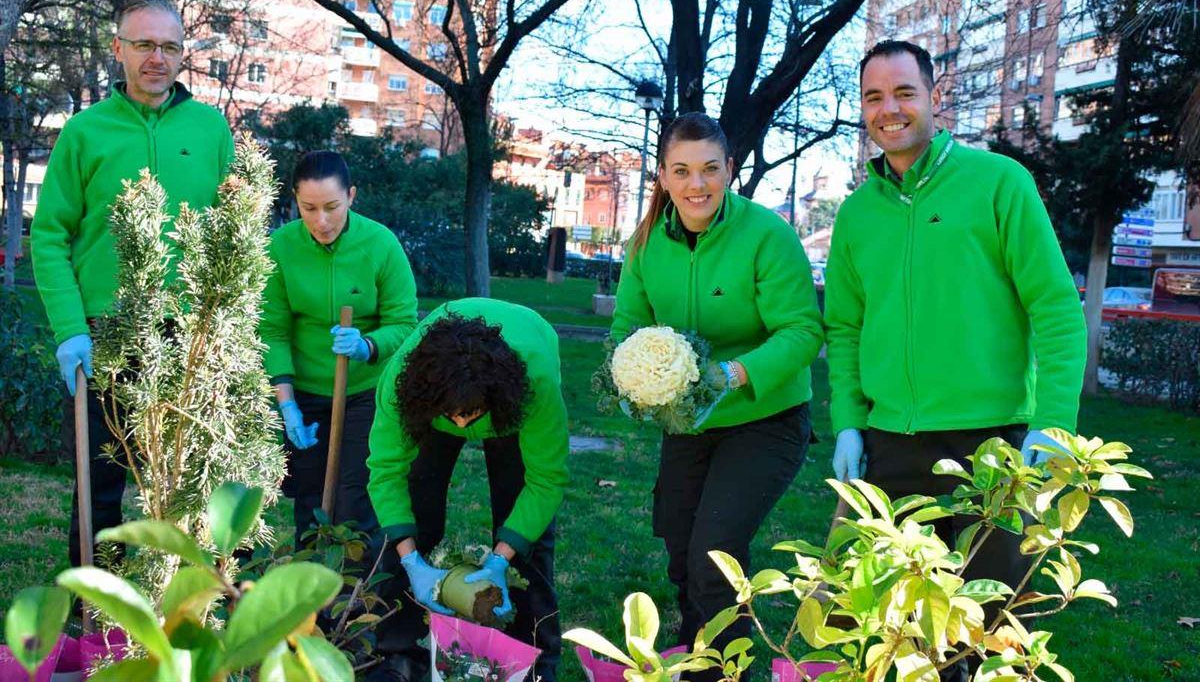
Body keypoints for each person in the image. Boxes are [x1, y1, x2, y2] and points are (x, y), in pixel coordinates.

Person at [824, 40, 1087, 679]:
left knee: (988, 641)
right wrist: (848, 422)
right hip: (889, 450)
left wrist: (1051, 425)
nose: (890, 109)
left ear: (935, 97)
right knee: (878, 637)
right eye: (874, 97)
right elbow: (845, 328)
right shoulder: (857, 214)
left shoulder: (1000, 183)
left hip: (991, 449)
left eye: (905, 93)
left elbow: (1057, 312)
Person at [610, 112, 825, 679]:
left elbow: (804, 332)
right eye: (681, 171)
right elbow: (626, 329)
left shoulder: (766, 234)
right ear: (662, 176)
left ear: (730, 168)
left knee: (715, 556)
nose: (696, 184)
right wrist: (631, 376)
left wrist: (732, 374)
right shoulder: (647, 243)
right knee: (683, 555)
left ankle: (720, 674)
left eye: (709, 168)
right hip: (691, 423)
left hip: (766, 419)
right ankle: (699, 660)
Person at [31, 0, 235, 567]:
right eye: (144, 44)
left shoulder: (212, 129)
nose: (157, 58)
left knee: (180, 484)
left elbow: (233, 233)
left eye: (169, 47)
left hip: (188, 335)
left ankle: (171, 612)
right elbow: (49, 237)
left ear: (182, 54)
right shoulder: (84, 133)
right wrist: (72, 330)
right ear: (118, 49)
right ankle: (94, 614)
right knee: (99, 483)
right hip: (105, 332)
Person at [366, 299, 568, 682]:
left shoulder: (533, 382)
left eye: (469, 414)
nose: (460, 422)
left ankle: (535, 661)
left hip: (510, 399)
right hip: (434, 402)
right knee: (412, 518)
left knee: (528, 539)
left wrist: (500, 559)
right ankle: (396, 657)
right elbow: (386, 472)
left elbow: (546, 480)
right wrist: (411, 561)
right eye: (453, 415)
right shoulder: (403, 385)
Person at [259, 150, 418, 550]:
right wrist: (287, 404)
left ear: (351, 195)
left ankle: (354, 598)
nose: (321, 221)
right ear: (294, 200)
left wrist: (368, 345)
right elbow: (272, 330)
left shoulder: (380, 245)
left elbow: (405, 324)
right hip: (306, 393)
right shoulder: (280, 247)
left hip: (365, 390)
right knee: (309, 496)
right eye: (308, 208)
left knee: (355, 495)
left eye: (332, 206)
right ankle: (311, 596)